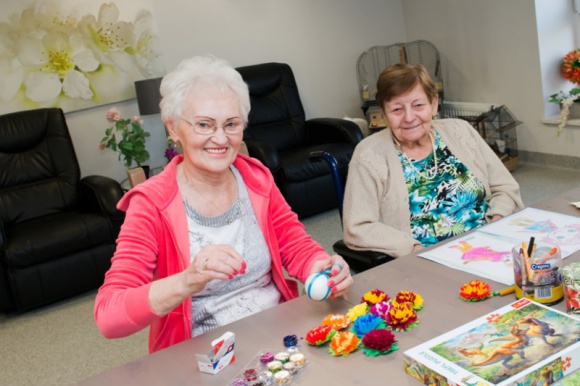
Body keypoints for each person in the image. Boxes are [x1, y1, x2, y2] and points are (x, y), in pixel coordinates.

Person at [94, 55, 352, 353]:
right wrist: (188, 280)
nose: (220, 138)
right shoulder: (151, 203)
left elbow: (295, 246)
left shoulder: (255, 176)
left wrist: (322, 267)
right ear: (174, 128)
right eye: (204, 124)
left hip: (280, 337)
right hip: (205, 356)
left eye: (231, 124)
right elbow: (109, 316)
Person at [343, 63, 523, 259]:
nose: (409, 117)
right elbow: (358, 227)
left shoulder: (460, 131)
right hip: (426, 260)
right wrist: (413, 250)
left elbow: (504, 187)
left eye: (418, 105)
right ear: (385, 114)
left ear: (434, 103)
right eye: (397, 109)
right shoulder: (369, 155)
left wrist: (497, 224)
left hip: (490, 245)